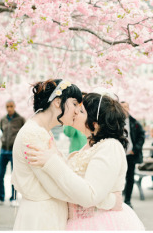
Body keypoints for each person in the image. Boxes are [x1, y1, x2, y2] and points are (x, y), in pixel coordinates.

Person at [25, 92, 145, 230]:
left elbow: (91, 195)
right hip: (79, 222)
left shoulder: (110, 146)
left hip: (99, 223)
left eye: (81, 111)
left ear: (95, 123)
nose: (75, 112)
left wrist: (52, 162)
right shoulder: (90, 146)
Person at [11, 79, 120, 230]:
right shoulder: (32, 134)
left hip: (50, 215)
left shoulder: (42, 132)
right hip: (41, 218)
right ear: (57, 102)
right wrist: (107, 199)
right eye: (75, 104)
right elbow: (55, 188)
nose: (77, 111)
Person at [0, 100, 25, 207]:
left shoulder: (20, 119)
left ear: (14, 106)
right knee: (0, 175)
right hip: (3, 150)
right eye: (7, 106)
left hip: (14, 151)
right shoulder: (3, 119)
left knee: (14, 176)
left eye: (11, 106)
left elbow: (23, 134)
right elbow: (2, 132)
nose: (9, 108)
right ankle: (0, 197)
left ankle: (13, 198)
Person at [120, 101, 145, 209]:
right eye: (122, 107)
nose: (124, 109)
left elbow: (141, 135)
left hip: (130, 154)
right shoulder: (115, 121)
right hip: (119, 155)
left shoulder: (134, 122)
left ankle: (128, 200)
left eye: (126, 107)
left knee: (130, 178)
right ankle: (118, 200)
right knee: (119, 178)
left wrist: (136, 149)